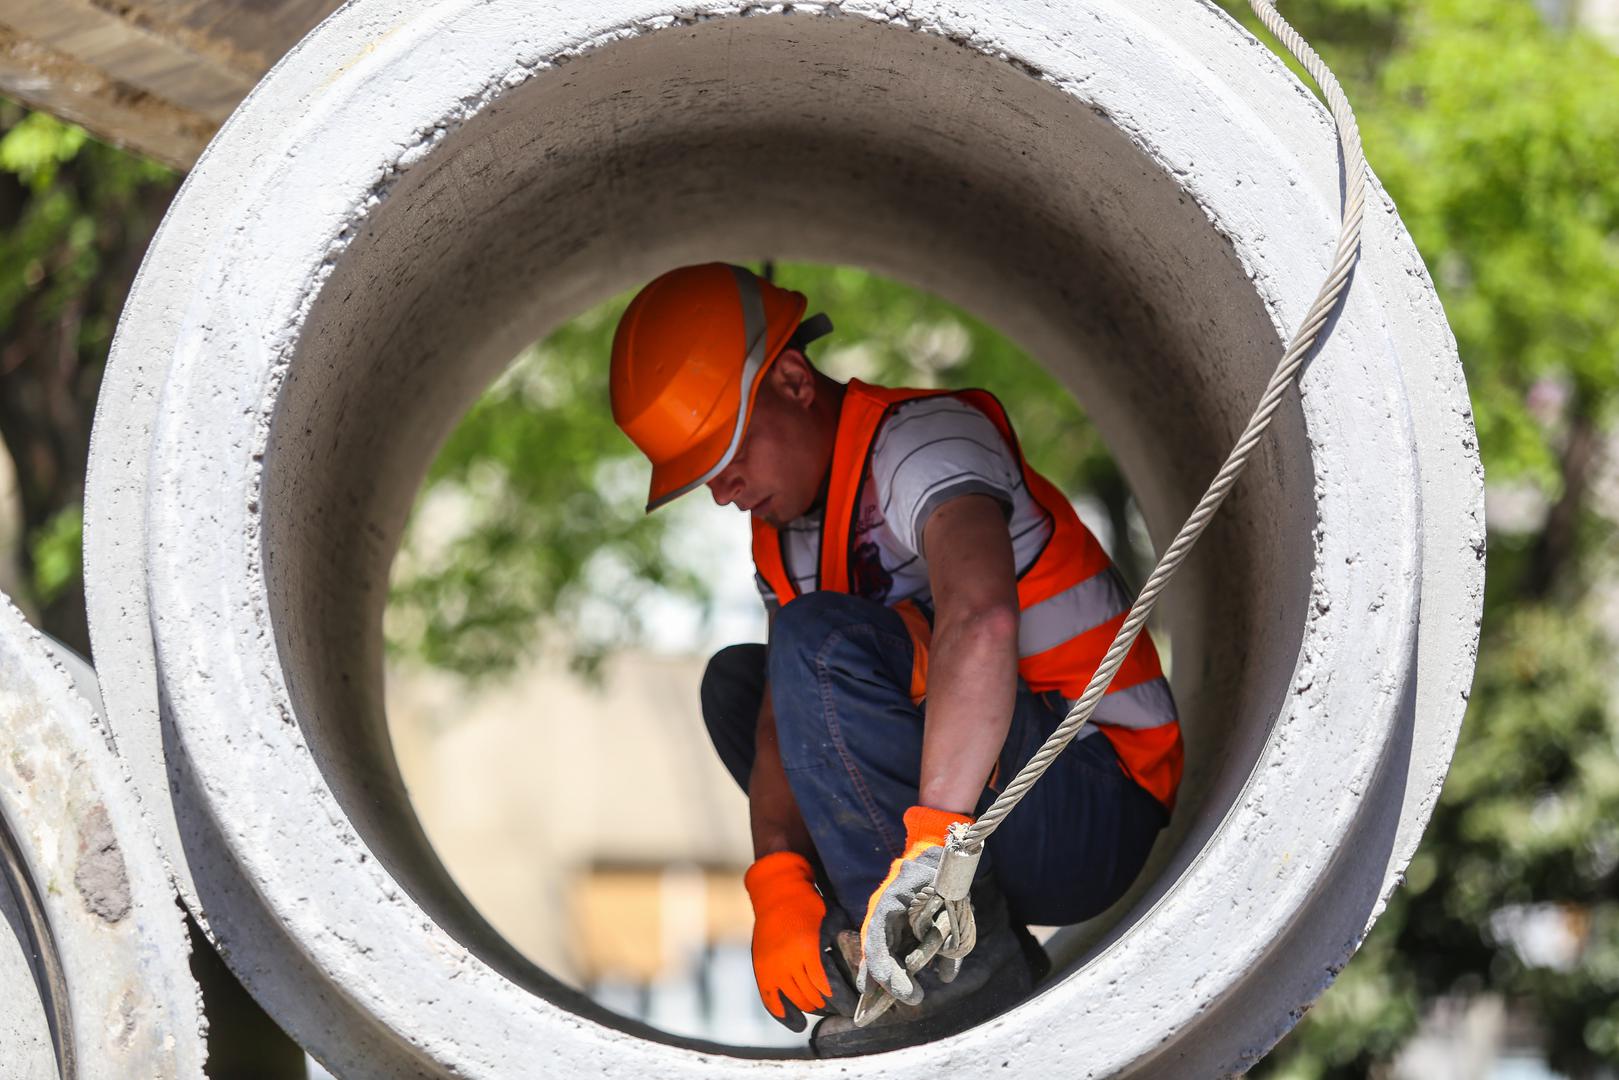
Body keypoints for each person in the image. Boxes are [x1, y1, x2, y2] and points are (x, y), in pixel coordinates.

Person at [610, 262, 1180, 1055]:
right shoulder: (780, 537)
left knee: (815, 641)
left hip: (1086, 798)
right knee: (740, 686)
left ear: (791, 380)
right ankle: (906, 949)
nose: (719, 488)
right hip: (979, 824)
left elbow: (979, 618)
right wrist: (776, 879)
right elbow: (784, 720)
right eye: (699, 472)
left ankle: (955, 974)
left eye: (724, 451)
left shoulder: (922, 442)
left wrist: (935, 845)